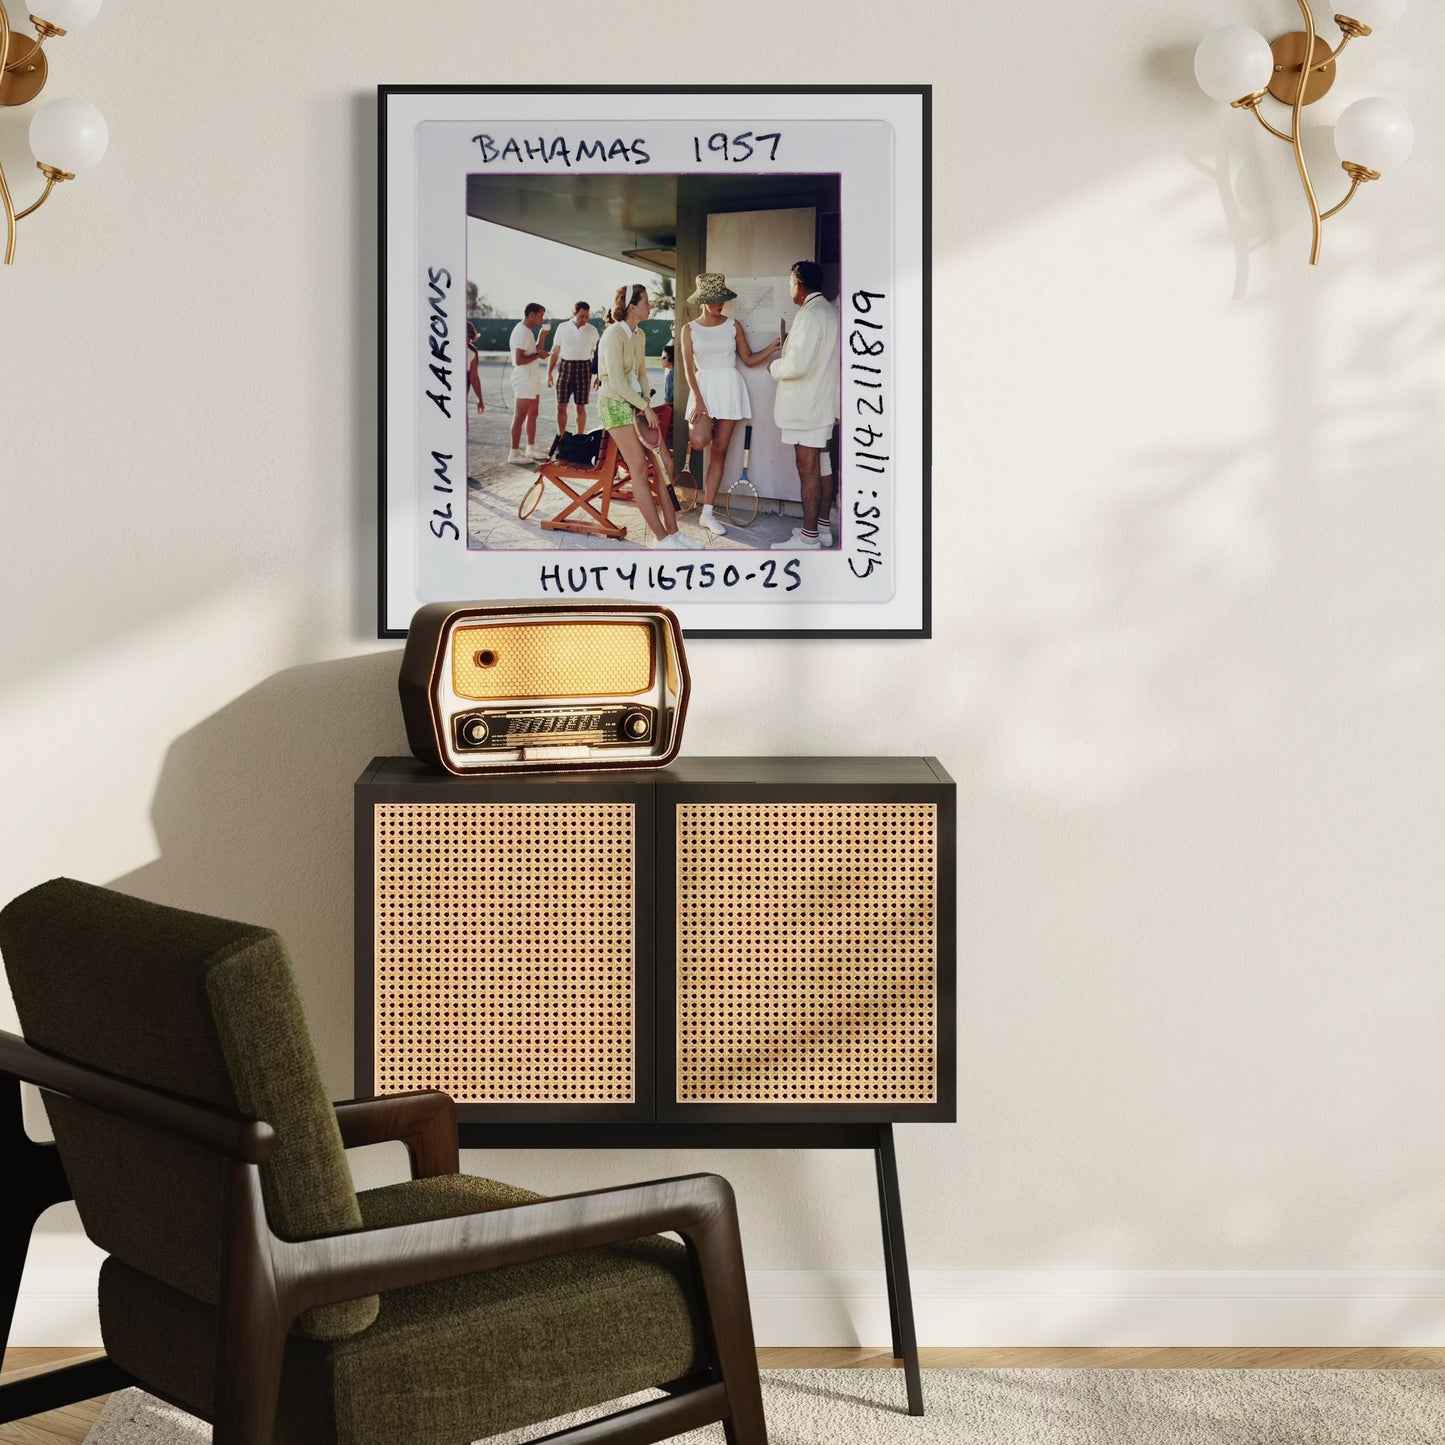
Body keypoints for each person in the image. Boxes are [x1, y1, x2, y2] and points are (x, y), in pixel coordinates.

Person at [597, 282, 699, 551]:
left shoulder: (638, 334)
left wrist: (645, 402)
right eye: (646, 301)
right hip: (615, 406)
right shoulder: (612, 335)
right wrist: (645, 408)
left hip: (636, 405)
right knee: (639, 471)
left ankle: (673, 533)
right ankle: (661, 539)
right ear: (632, 306)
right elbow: (617, 382)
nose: (650, 305)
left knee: (663, 465)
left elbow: (641, 373)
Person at [681, 273, 780, 537]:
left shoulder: (733, 325)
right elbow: (689, 370)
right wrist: (699, 402)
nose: (719, 304)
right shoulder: (688, 329)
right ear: (703, 301)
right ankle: (705, 507)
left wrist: (772, 347)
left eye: (722, 299)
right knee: (700, 440)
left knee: (720, 452)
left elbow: (747, 359)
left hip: (729, 388)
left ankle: (707, 513)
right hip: (702, 389)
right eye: (714, 300)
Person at [769, 260, 841, 550]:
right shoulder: (828, 311)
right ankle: (822, 528)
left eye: (790, 283)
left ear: (798, 285)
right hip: (821, 407)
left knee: (807, 468)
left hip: (806, 411)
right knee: (822, 465)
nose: (789, 289)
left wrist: (774, 367)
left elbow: (796, 366)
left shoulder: (810, 315)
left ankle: (809, 537)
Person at [546, 300, 598, 439]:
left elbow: (598, 354)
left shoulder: (592, 330)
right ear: (574, 313)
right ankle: (561, 438)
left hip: (584, 368)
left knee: (580, 407)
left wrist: (598, 375)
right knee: (560, 406)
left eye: (587, 316)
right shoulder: (562, 327)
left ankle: (579, 439)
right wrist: (549, 373)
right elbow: (555, 350)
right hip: (565, 368)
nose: (584, 319)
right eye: (581, 316)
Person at [507, 302, 549, 463]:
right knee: (519, 416)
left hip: (532, 376)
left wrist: (542, 337)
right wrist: (539, 356)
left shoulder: (528, 331)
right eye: (540, 315)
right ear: (532, 314)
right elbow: (518, 360)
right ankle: (514, 453)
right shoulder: (521, 332)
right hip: (523, 377)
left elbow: (535, 350)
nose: (542, 318)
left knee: (533, 413)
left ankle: (530, 448)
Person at [466, 321, 484, 414]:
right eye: (468, 336)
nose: (470, 340)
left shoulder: (472, 351)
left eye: (472, 338)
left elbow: (474, 378)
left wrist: (479, 399)